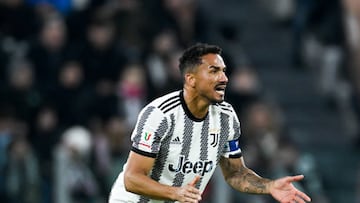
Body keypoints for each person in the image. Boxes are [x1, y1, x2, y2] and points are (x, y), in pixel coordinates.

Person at [108, 43, 312, 203]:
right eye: (214, 71)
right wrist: (175, 192)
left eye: (223, 71)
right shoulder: (160, 114)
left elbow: (235, 173)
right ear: (191, 79)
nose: (223, 78)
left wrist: (269, 186)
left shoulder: (226, 117)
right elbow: (132, 178)